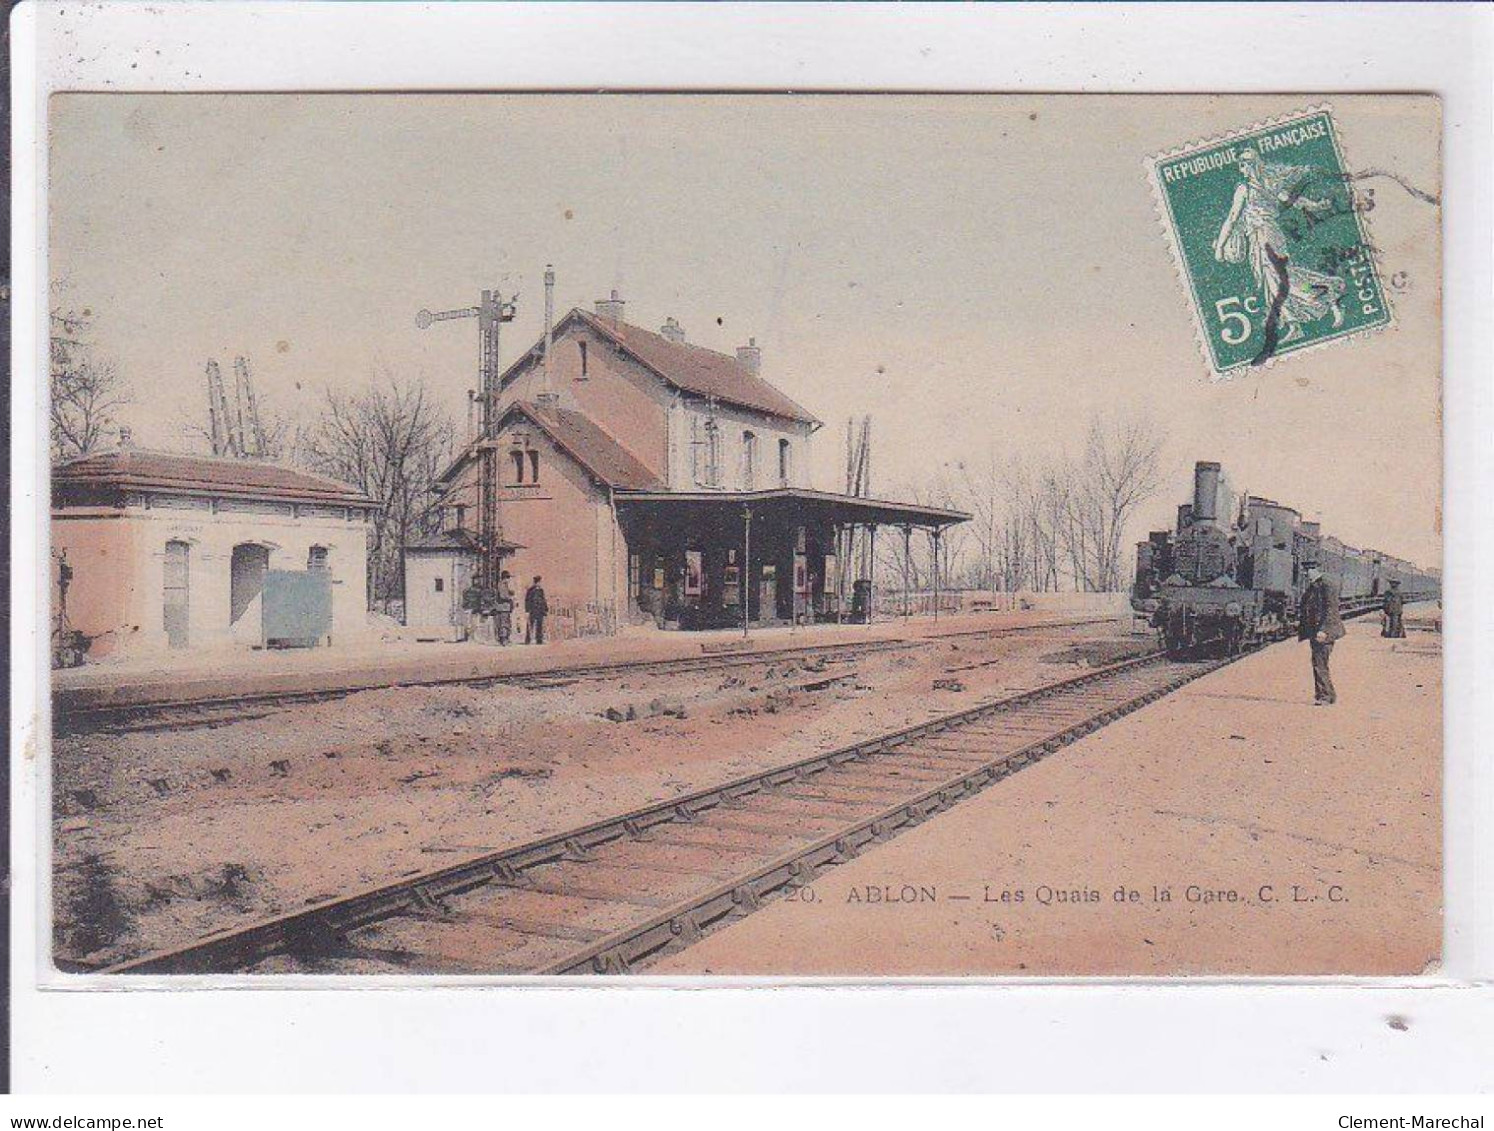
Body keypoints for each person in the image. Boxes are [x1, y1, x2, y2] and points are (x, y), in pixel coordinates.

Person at [1213, 148, 1347, 347]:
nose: (1245, 168)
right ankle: (1294, 324)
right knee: (1273, 281)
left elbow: (1232, 218)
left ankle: (1328, 292)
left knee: (1280, 278)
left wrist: (1220, 247)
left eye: (1247, 163)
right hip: (1265, 235)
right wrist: (1315, 205)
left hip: (1264, 236)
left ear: (1252, 165)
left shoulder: (1246, 188)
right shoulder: (1268, 184)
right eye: (1243, 164)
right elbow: (1294, 201)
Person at [1298, 564, 1345, 705]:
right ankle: (1327, 695)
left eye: (1308, 571)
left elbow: (1331, 609)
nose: (1306, 574)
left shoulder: (1326, 585)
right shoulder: (1315, 585)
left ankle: (1324, 696)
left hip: (1324, 632)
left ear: (1315, 570)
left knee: (1320, 663)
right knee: (1319, 662)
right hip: (1316, 631)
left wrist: (1323, 630)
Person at [524, 575, 548, 644]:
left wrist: (545, 608)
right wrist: (527, 610)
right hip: (533, 609)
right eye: (539, 582)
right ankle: (528, 640)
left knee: (539, 625)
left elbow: (543, 600)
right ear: (537, 582)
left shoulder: (541, 590)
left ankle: (539, 639)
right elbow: (527, 600)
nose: (539, 583)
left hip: (540, 610)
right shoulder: (530, 590)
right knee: (530, 624)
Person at [494, 570, 514, 646]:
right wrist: (509, 597)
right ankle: (504, 640)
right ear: (505, 578)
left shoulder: (504, 585)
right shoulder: (502, 584)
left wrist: (510, 592)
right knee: (504, 624)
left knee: (506, 623)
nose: (508, 579)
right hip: (503, 607)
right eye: (508, 577)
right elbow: (502, 596)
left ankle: (505, 639)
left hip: (505, 607)